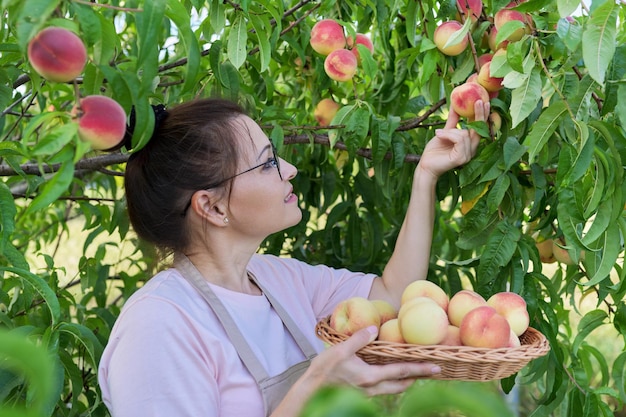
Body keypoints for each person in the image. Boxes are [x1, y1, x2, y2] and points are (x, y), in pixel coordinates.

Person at [97, 97, 489, 417]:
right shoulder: (159, 325)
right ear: (212, 208)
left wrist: (426, 175)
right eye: (267, 162)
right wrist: (314, 389)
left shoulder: (275, 279)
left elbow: (394, 294)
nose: (289, 168)